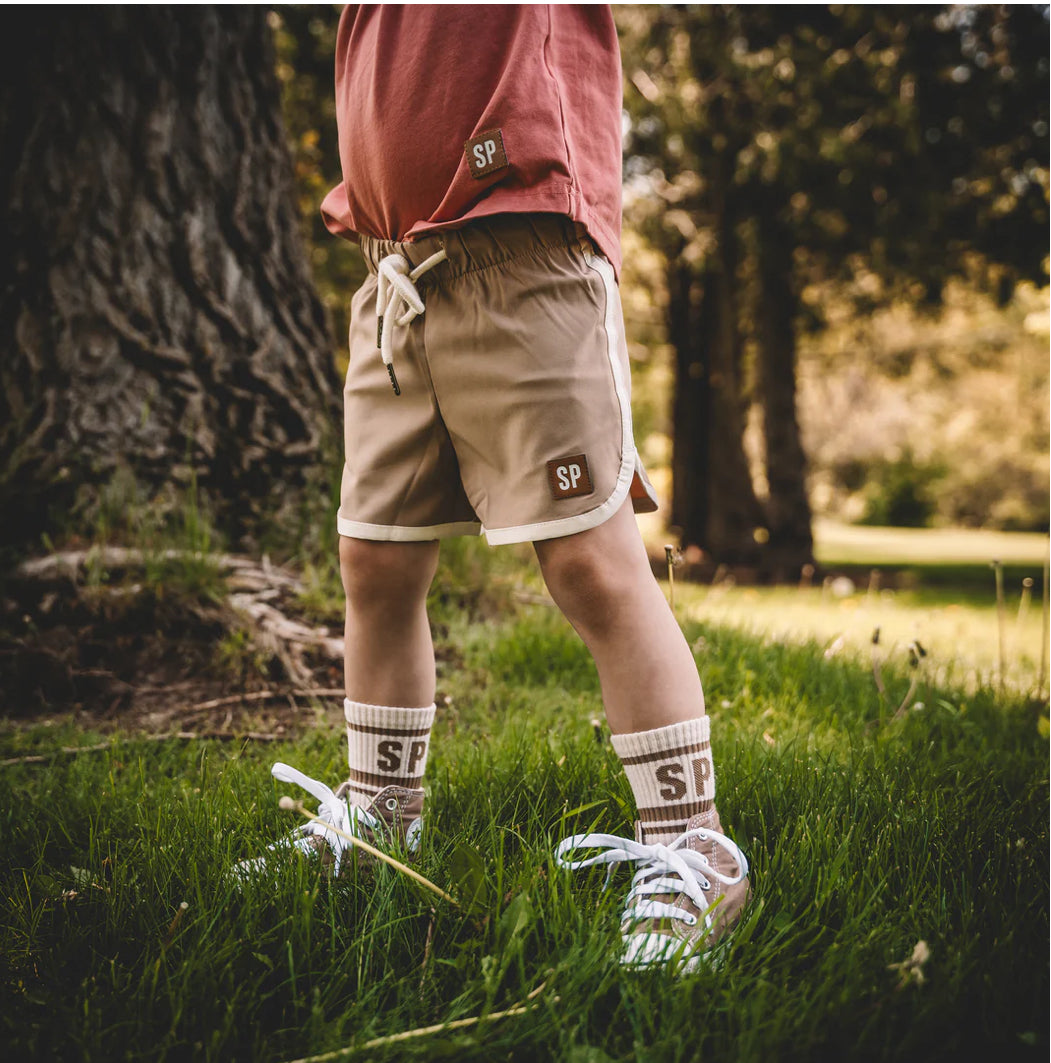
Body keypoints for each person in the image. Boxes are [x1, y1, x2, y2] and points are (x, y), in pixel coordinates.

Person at [253, 3, 749, 972]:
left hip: (524, 251)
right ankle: (383, 817)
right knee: (375, 560)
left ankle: (694, 842)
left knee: (588, 563)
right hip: (394, 276)